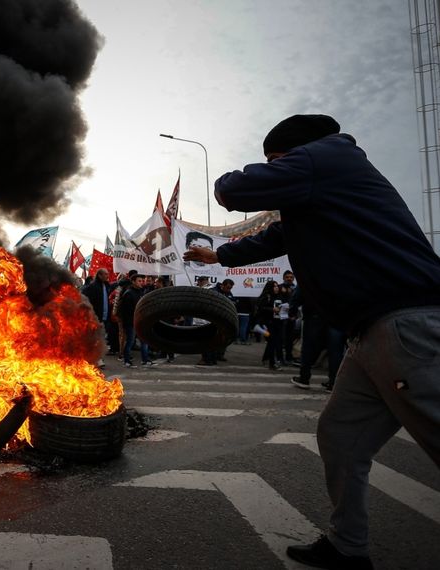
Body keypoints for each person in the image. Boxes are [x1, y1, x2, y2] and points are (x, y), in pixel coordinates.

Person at [183, 113, 440, 569]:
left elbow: (234, 191)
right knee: (341, 437)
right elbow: (273, 238)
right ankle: (348, 546)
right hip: (369, 334)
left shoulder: (327, 157)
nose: (278, 170)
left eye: (276, 161)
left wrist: (226, 183)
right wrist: (218, 255)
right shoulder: (320, 192)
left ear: (292, 153)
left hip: (405, 324)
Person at [82, 268, 115, 368]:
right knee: (95, 339)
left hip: (104, 318)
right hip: (95, 317)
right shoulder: (92, 287)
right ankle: (96, 359)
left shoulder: (107, 286)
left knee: (101, 339)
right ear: (99, 275)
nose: (107, 276)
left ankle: (98, 358)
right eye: (105, 274)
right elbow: (85, 299)